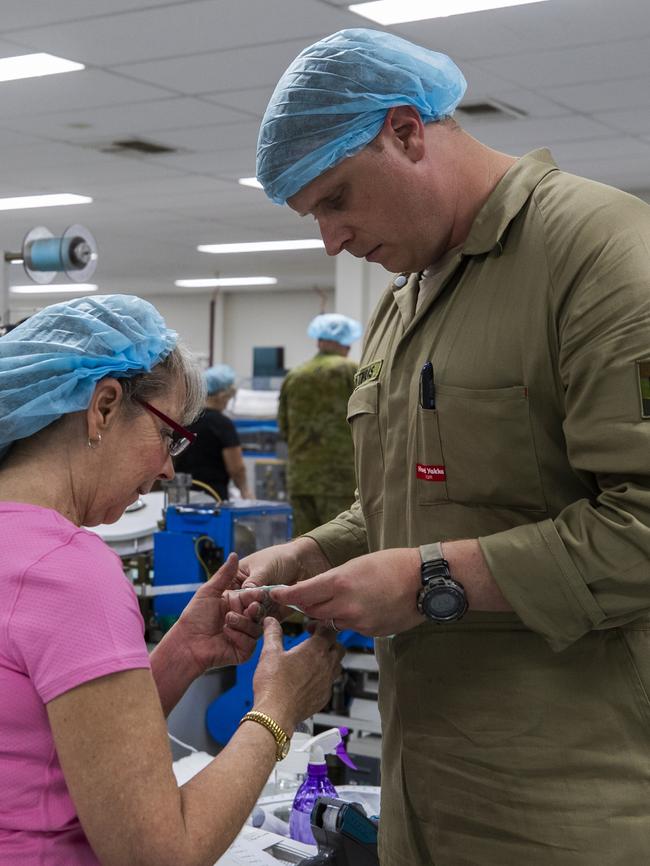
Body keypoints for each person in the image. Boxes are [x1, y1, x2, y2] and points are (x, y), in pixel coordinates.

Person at [237, 27, 650, 866]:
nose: (331, 240)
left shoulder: (599, 254)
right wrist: (313, 552)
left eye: (336, 199)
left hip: (565, 798)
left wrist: (427, 580)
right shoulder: (405, 298)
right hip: (421, 779)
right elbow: (411, 493)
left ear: (407, 131)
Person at [0, 294, 343, 866]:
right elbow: (159, 854)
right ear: (104, 407)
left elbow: (47, 745)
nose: (168, 469)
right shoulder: (69, 570)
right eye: (168, 437)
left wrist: (180, 653)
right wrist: (278, 709)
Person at [279, 312, 362, 535]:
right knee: (342, 544)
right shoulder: (350, 370)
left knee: (303, 547)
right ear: (346, 342)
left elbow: (284, 426)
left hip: (301, 478)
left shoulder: (294, 375)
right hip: (340, 479)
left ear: (318, 340)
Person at [175, 363, 252, 500]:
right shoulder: (222, 424)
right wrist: (245, 491)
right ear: (221, 396)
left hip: (179, 494)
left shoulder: (184, 420)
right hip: (212, 497)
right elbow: (236, 468)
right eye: (229, 397)